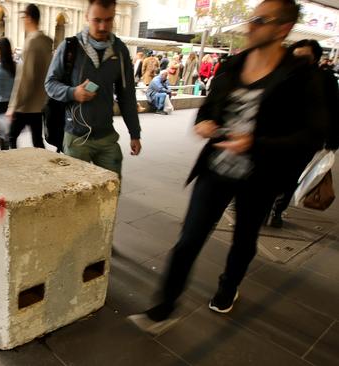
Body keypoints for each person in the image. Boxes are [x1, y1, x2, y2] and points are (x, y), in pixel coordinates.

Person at [128, 0, 326, 335]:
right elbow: (210, 109)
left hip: (259, 176)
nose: (252, 25)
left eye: (261, 20)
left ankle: (227, 287)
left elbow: (311, 135)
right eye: (252, 18)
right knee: (188, 239)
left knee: (244, 239)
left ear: (283, 28)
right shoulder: (233, 66)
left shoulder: (302, 78)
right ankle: (164, 306)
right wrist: (205, 122)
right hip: (216, 169)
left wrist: (255, 143)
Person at [45, 0, 142, 177]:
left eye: (109, 20)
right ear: (87, 16)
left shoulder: (120, 51)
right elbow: (50, 84)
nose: (103, 26)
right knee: (77, 195)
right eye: (97, 20)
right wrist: (73, 92)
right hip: (76, 138)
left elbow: (127, 95)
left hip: (107, 137)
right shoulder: (69, 47)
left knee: (111, 192)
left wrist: (135, 133)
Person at [269, 39, 339, 227]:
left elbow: (334, 109)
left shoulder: (325, 79)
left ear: (315, 58)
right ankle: (262, 208)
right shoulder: (282, 74)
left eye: (304, 57)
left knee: (291, 177)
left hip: (305, 141)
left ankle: (278, 210)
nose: (299, 60)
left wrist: (333, 140)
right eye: (295, 56)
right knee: (270, 173)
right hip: (275, 136)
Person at [6, 4, 53, 149]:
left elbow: (26, 77)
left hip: (25, 104)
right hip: (39, 103)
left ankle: (16, 167)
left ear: (29, 18)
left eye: (24, 17)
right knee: (37, 141)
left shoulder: (32, 41)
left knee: (11, 137)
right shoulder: (46, 41)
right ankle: (43, 167)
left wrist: (14, 105)